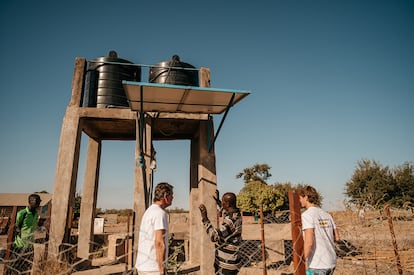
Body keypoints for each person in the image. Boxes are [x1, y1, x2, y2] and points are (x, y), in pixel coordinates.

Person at [298, 186, 340, 275]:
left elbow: (309, 242)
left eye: (300, 198)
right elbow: (337, 237)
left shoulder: (307, 215)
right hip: (331, 262)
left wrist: (300, 260)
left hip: (317, 265)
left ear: (306, 197)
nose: (300, 200)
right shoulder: (327, 215)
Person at [199, 191, 242, 275]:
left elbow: (214, 236)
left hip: (227, 264)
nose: (222, 204)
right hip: (230, 259)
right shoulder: (235, 214)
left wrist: (205, 218)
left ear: (228, 204)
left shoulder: (231, 221)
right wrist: (218, 201)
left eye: (223, 202)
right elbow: (225, 212)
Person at [135, 182, 174, 275]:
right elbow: (159, 243)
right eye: (171, 195)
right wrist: (161, 269)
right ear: (165, 196)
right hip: (153, 269)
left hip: (143, 266)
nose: (173, 198)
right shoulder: (160, 213)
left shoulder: (149, 211)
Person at [7, 193, 42, 275]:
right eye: (37, 202)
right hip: (19, 246)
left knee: (27, 268)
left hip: (29, 246)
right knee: (15, 268)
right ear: (32, 202)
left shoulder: (36, 214)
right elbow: (15, 227)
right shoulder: (22, 213)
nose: (39, 204)